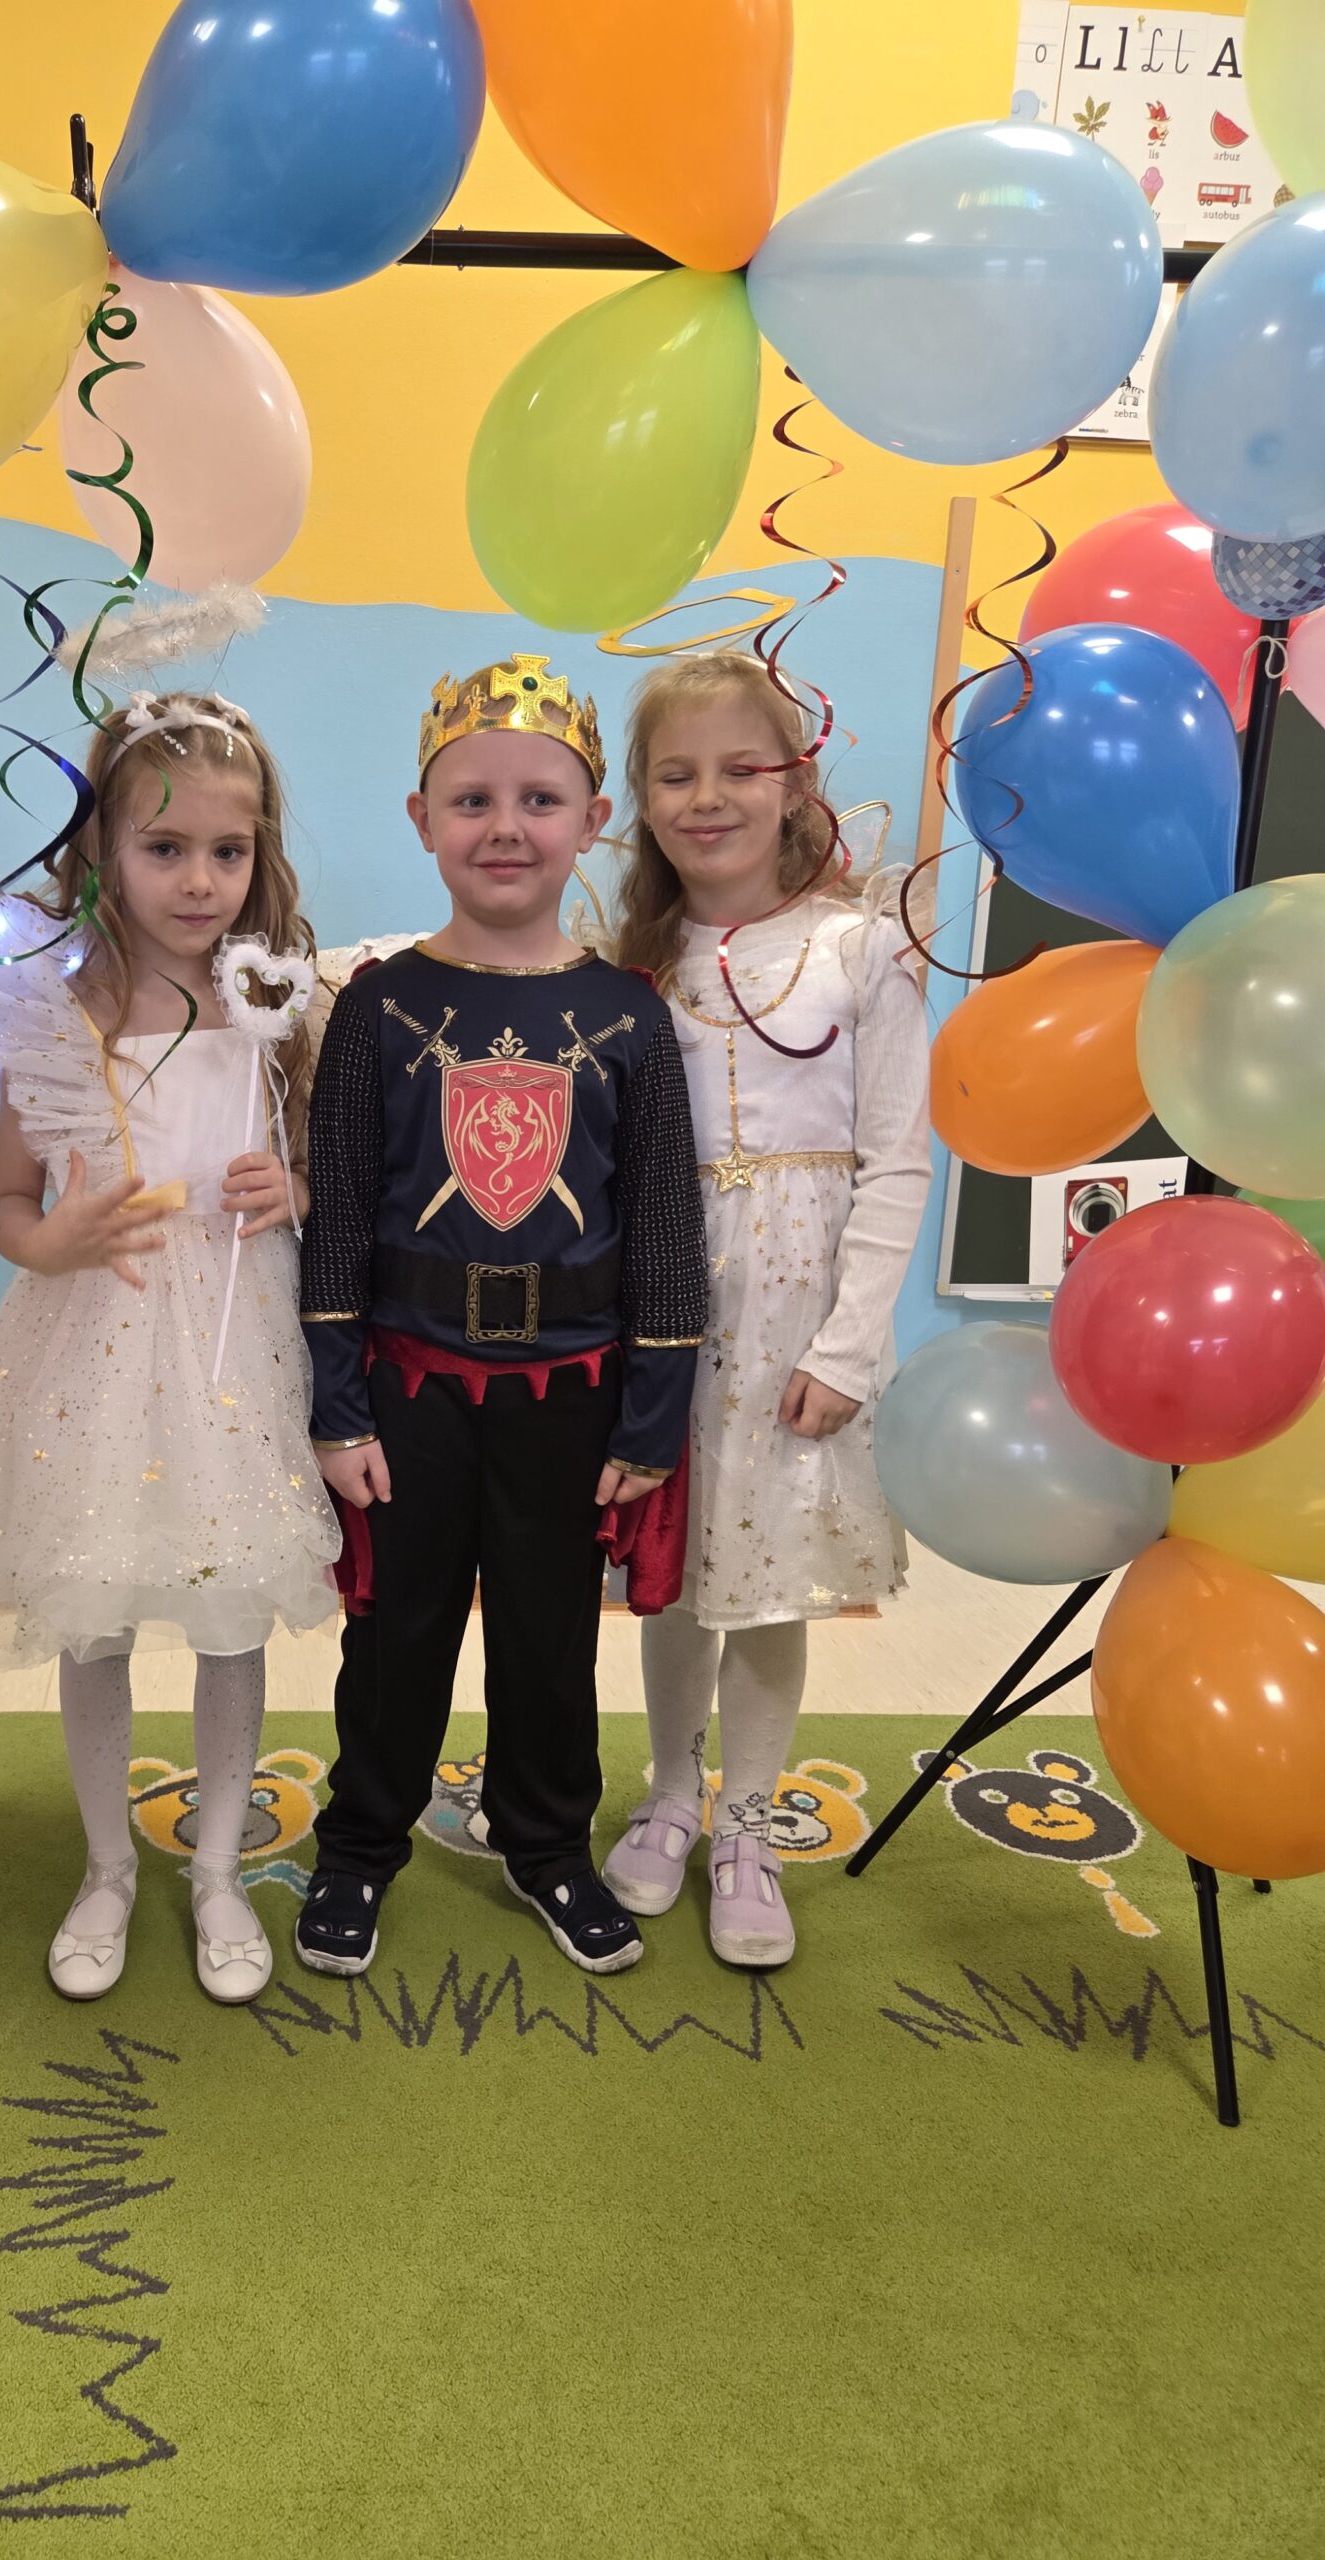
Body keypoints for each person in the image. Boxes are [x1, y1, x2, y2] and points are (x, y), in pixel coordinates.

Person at [0, 692, 339, 2008]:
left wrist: (296, 1191)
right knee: (95, 1615)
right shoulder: (53, 1011)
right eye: (164, 847)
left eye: (228, 852)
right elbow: (9, 1212)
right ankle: (108, 1866)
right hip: (95, 1336)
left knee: (230, 1611)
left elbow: (323, 1169)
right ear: (102, 850)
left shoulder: (277, 1001)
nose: (199, 880)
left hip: (234, 1336)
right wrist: (52, 1239)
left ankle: (217, 1868)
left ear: (260, 855)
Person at [294, 653, 707, 1980]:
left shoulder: (628, 1015)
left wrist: (651, 1419)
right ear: (422, 820)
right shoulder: (378, 1005)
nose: (506, 827)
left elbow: (665, 1228)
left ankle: (547, 1845)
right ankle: (361, 1845)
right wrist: (337, 1406)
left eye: (541, 799)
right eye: (472, 800)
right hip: (407, 1386)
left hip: (573, 1392)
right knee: (396, 1633)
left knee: (548, 1636)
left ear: (594, 821)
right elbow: (339, 1216)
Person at [601, 651, 930, 1968]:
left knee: (770, 1581)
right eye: (676, 774)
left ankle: (747, 1821)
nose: (708, 797)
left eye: (741, 768)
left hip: (800, 1315)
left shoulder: (861, 948)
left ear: (794, 782)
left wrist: (849, 1346)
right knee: (675, 1576)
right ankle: (670, 1794)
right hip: (668, 1306)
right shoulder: (630, 963)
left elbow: (897, 1161)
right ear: (641, 798)